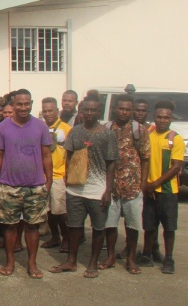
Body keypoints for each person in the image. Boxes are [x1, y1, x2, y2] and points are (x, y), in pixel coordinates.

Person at [50, 96, 117, 278]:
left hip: (98, 189)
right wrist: (67, 176)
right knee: (74, 226)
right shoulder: (75, 132)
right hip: (75, 189)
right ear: (81, 111)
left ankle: (93, 263)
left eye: (93, 110)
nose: (89, 113)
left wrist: (108, 190)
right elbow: (69, 155)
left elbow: (111, 164)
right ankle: (71, 261)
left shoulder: (107, 134)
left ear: (99, 111)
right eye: (86, 110)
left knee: (98, 228)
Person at [0, 89, 53, 279]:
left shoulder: (40, 126)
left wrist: (48, 182)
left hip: (35, 186)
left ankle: (32, 263)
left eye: (27, 104)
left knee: (32, 226)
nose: (23, 107)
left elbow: (46, 155)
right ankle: (10, 262)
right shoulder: (3, 128)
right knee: (10, 226)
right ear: (13, 104)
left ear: (32, 103)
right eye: (19, 104)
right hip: (9, 186)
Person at [101, 94, 149, 274]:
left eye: (128, 109)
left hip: (133, 186)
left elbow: (145, 158)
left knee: (133, 225)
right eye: (121, 108)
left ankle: (130, 259)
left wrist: (142, 184)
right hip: (110, 187)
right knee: (110, 224)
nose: (124, 112)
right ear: (115, 108)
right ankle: (111, 256)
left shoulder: (139, 130)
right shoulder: (106, 129)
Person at [137, 100, 184, 273]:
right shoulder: (147, 134)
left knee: (169, 227)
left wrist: (155, 184)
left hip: (167, 191)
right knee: (149, 225)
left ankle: (168, 258)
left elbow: (176, 167)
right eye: (159, 117)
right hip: (149, 189)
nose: (162, 120)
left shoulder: (175, 139)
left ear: (171, 118)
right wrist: (146, 185)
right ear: (154, 117)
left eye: (166, 117)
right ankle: (147, 254)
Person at [40, 97, 72, 252]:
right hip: (42, 176)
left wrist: (67, 173)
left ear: (57, 111)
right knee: (48, 211)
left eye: (50, 110)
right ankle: (55, 237)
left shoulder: (66, 129)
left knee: (60, 212)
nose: (47, 114)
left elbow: (71, 153)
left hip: (59, 175)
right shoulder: (39, 127)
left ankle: (66, 239)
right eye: (45, 111)